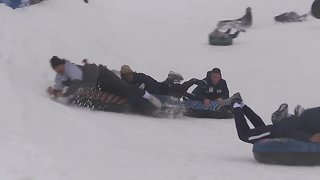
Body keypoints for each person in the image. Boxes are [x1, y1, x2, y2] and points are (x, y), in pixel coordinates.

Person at [47, 56, 162, 108]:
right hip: (97, 84)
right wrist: (54, 91)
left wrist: (65, 94)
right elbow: (58, 87)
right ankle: (141, 104)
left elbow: (76, 82)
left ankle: (148, 96)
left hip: (102, 75)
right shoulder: (60, 76)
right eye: (56, 69)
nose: (59, 70)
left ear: (63, 64)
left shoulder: (70, 68)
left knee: (125, 88)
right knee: (121, 95)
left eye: (59, 67)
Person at [226, 93, 320, 144]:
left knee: (263, 130)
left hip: (293, 124)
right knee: (245, 135)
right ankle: (236, 105)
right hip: (287, 129)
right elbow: (315, 138)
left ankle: (241, 105)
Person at [120, 65, 206, 98]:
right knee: (171, 87)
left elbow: (153, 83)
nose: (129, 76)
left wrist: (149, 93)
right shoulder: (125, 82)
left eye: (130, 74)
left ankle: (192, 81)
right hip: (158, 90)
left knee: (178, 90)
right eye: (126, 75)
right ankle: (171, 76)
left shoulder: (140, 77)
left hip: (159, 89)